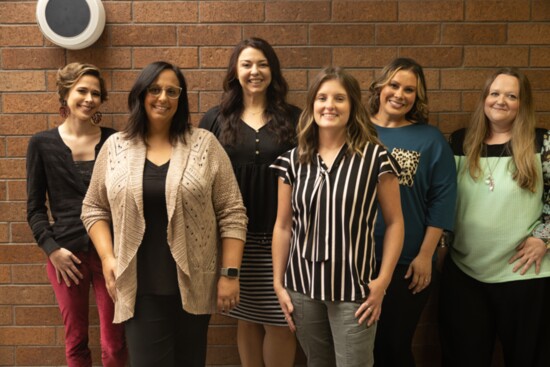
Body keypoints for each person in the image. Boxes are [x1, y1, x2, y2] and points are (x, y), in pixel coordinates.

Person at [80, 61, 248, 367]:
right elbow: (93, 208)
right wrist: (107, 257)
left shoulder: (204, 145)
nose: (163, 97)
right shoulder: (115, 147)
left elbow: (233, 212)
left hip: (194, 289)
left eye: (172, 91)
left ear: (181, 98)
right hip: (139, 288)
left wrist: (229, 274)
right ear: (142, 94)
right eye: (155, 89)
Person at [271, 67, 404, 367]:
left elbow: (395, 223)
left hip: (354, 290)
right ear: (312, 105)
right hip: (302, 287)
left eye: (339, 98)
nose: (329, 105)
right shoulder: (292, 161)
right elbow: (283, 226)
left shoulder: (375, 157)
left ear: (353, 106)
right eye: (322, 98)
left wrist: (382, 282)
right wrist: (279, 284)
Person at [199, 37, 301, 367]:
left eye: (262, 64)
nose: (254, 71)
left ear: (273, 70)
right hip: (233, 240)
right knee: (246, 318)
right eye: (246, 64)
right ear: (235, 71)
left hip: (282, 236)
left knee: (281, 320)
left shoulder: (296, 118)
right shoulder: (215, 119)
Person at [439, 67, 550, 367]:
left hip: (523, 271)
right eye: (495, 93)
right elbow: (444, 199)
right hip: (465, 273)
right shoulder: (459, 142)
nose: (501, 101)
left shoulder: (543, 143)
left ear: (522, 103)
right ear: (485, 98)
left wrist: (543, 238)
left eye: (511, 96)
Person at [26, 63, 127, 367]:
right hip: (66, 257)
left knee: (114, 343)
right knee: (76, 341)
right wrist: (52, 249)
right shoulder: (42, 144)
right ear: (66, 94)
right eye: (82, 90)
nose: (89, 98)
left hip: (110, 253)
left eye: (96, 93)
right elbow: (34, 209)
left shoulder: (116, 141)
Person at [366, 58, 457, 367]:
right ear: (379, 87)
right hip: (354, 258)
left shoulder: (430, 139)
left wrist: (425, 255)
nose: (400, 94)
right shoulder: (356, 130)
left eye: (409, 90)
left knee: (393, 345)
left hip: (408, 262)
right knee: (359, 348)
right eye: (394, 85)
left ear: (417, 97)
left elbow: (442, 201)